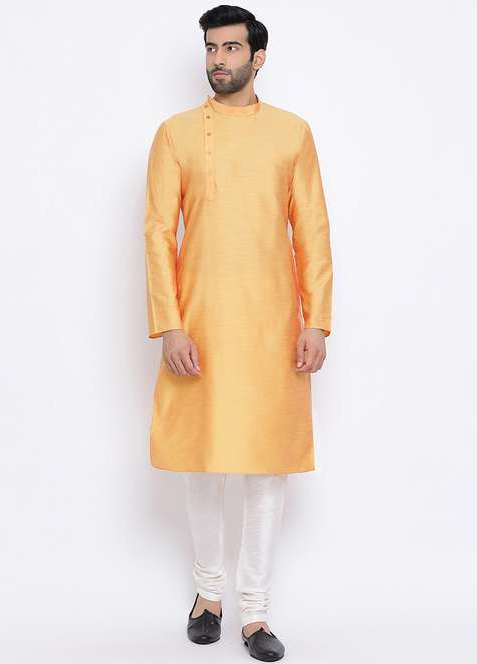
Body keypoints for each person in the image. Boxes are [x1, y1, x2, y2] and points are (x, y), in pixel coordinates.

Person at [144, 5, 333, 661]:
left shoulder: (292, 133)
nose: (217, 59)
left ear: (258, 58)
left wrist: (316, 320)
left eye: (230, 48)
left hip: (273, 325)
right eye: (210, 48)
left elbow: (312, 232)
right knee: (202, 461)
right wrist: (170, 324)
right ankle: (208, 596)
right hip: (198, 324)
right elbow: (157, 235)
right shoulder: (174, 134)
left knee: (264, 469)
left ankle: (254, 613)